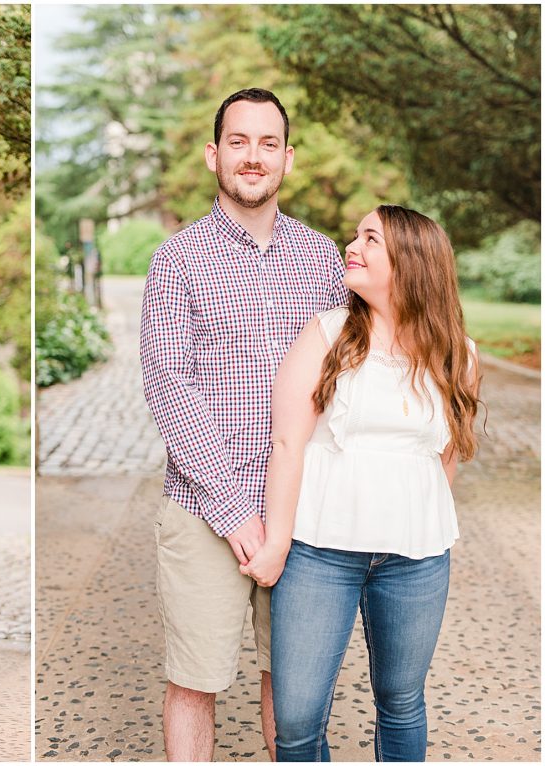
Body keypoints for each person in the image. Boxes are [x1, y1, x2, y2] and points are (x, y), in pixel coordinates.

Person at [140, 87, 348, 761]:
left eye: (267, 143)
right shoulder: (177, 259)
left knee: (291, 686)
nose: (252, 158)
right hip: (204, 511)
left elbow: (346, 375)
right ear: (213, 155)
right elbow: (171, 385)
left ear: (287, 158)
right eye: (238, 142)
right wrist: (235, 513)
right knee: (194, 682)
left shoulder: (323, 260)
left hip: (305, 509)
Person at [241, 205, 481, 761]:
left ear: (411, 262)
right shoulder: (326, 334)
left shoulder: (458, 355)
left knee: (401, 700)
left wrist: (419, 516)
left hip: (416, 559)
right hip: (319, 552)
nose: (351, 245)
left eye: (370, 238)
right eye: (356, 235)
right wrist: (278, 542)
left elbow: (444, 456)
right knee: (297, 717)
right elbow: (287, 444)